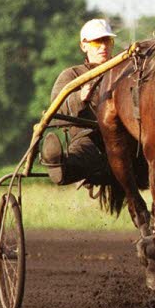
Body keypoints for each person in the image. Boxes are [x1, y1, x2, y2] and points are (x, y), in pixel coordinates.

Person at [40, 19, 119, 185]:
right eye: (97, 42)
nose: (103, 47)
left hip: (126, 134)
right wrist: (79, 97)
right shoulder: (72, 75)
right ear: (84, 46)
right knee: (82, 153)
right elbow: (56, 112)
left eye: (107, 41)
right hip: (91, 137)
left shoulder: (125, 70)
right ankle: (58, 164)